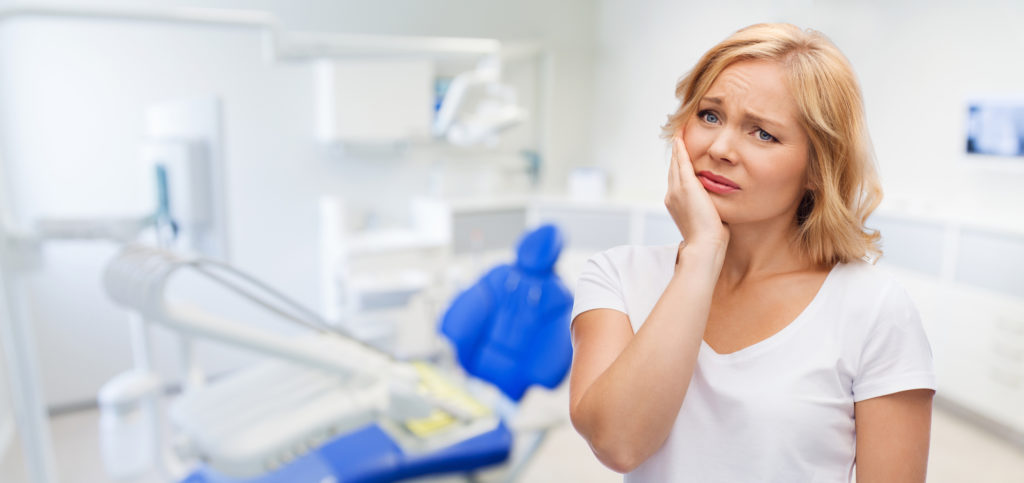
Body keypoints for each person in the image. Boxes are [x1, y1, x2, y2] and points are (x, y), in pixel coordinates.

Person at [568, 23, 936, 482]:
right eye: (709, 116)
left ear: (816, 170)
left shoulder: (875, 309)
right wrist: (702, 254)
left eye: (763, 134)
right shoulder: (616, 277)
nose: (720, 148)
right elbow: (619, 443)